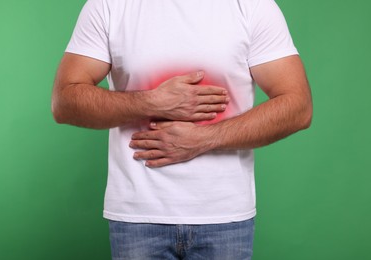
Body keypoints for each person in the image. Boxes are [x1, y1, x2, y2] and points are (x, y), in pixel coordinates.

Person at [52, 0, 312, 259]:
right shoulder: (109, 6)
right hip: (138, 215)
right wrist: (153, 102)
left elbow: (298, 106)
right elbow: (64, 102)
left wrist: (204, 139)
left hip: (224, 216)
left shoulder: (253, 6)